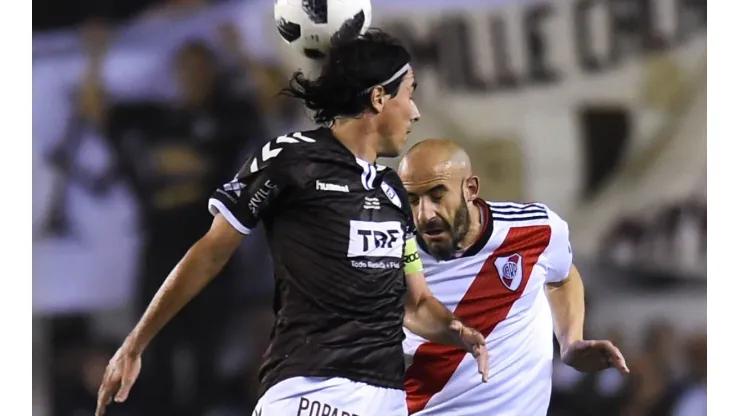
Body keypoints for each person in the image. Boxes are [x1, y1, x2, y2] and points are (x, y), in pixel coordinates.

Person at [95, 30, 489, 416]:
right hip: (311, 387)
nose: (416, 111)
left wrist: (456, 330)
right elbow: (211, 252)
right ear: (378, 96)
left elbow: (415, 303)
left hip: (386, 397)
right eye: (410, 93)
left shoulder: (393, 192)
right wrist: (135, 342)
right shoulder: (291, 160)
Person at [397, 139, 630, 415]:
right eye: (413, 200)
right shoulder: (392, 247)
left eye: (437, 196)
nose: (424, 214)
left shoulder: (535, 230)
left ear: (470, 189)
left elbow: (563, 275)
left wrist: (570, 340)